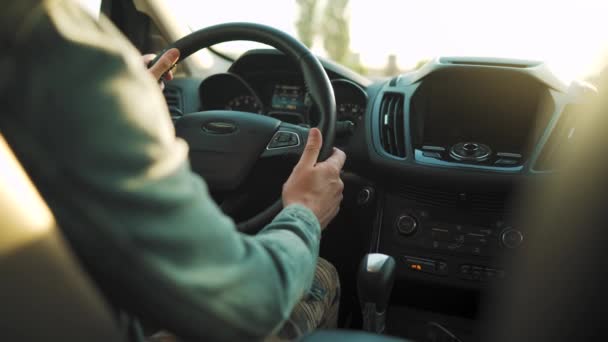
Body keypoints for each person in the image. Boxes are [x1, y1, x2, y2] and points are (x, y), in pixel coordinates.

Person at [1, 1, 345, 341]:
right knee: (320, 273)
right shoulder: (45, 39)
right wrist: (305, 211)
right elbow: (251, 301)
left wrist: (125, 112)